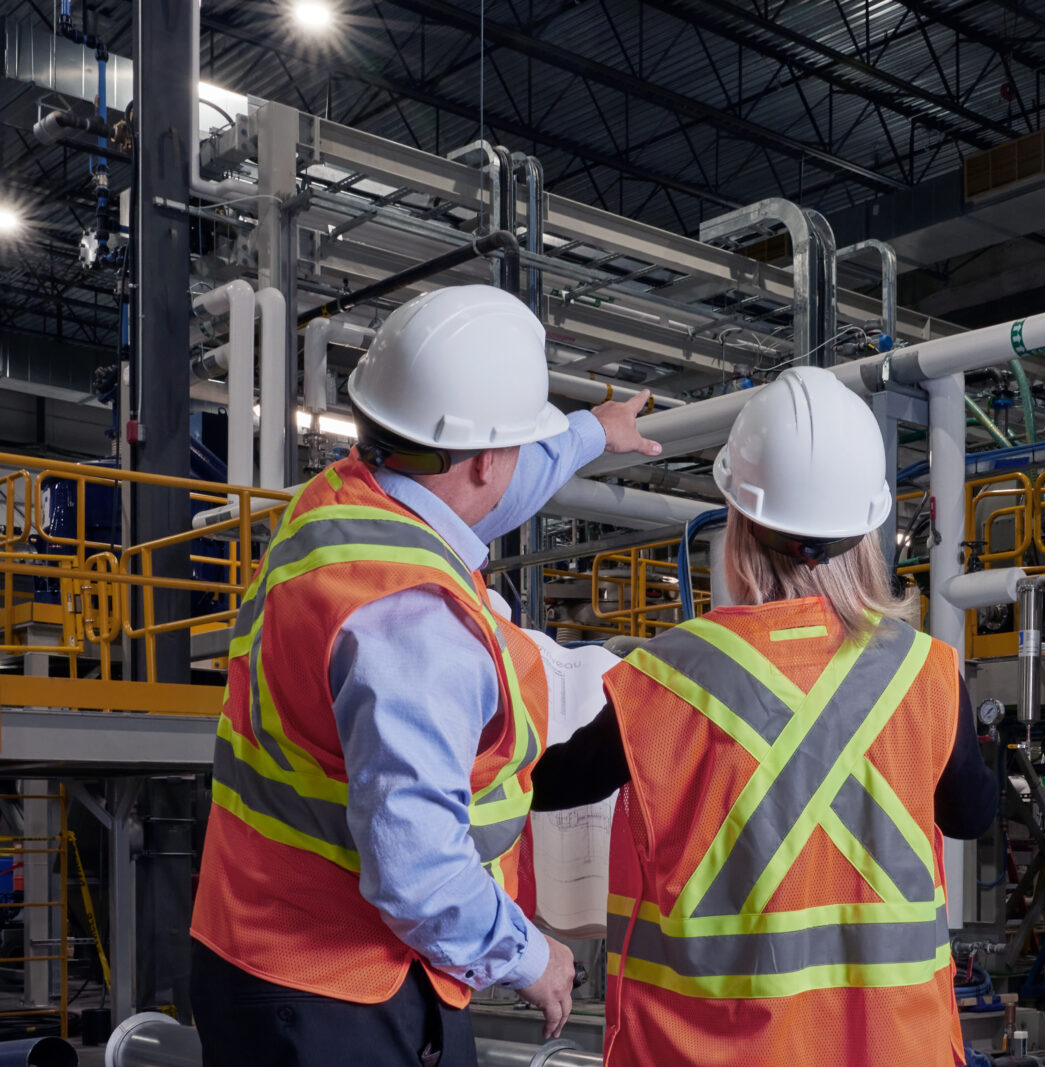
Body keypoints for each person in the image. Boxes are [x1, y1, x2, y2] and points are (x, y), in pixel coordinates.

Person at [190, 284, 661, 1067]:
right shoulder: (416, 624)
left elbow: (485, 488)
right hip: (335, 992)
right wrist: (531, 956)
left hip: (253, 940)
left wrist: (586, 435)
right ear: (482, 459)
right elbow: (419, 870)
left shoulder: (340, 501)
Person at [533, 366, 998, 1067]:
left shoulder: (668, 675)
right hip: (892, 1048)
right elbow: (971, 814)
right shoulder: (926, 674)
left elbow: (545, 781)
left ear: (740, 524)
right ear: (869, 526)